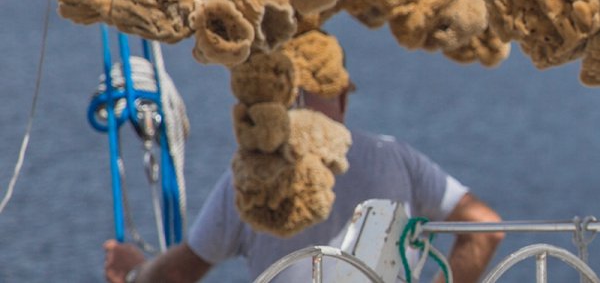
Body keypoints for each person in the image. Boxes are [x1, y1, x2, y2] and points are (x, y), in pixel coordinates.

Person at [103, 85, 505, 283]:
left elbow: (183, 271)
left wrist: (138, 273)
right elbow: (486, 229)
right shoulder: (396, 157)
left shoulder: (252, 175)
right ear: (344, 99)